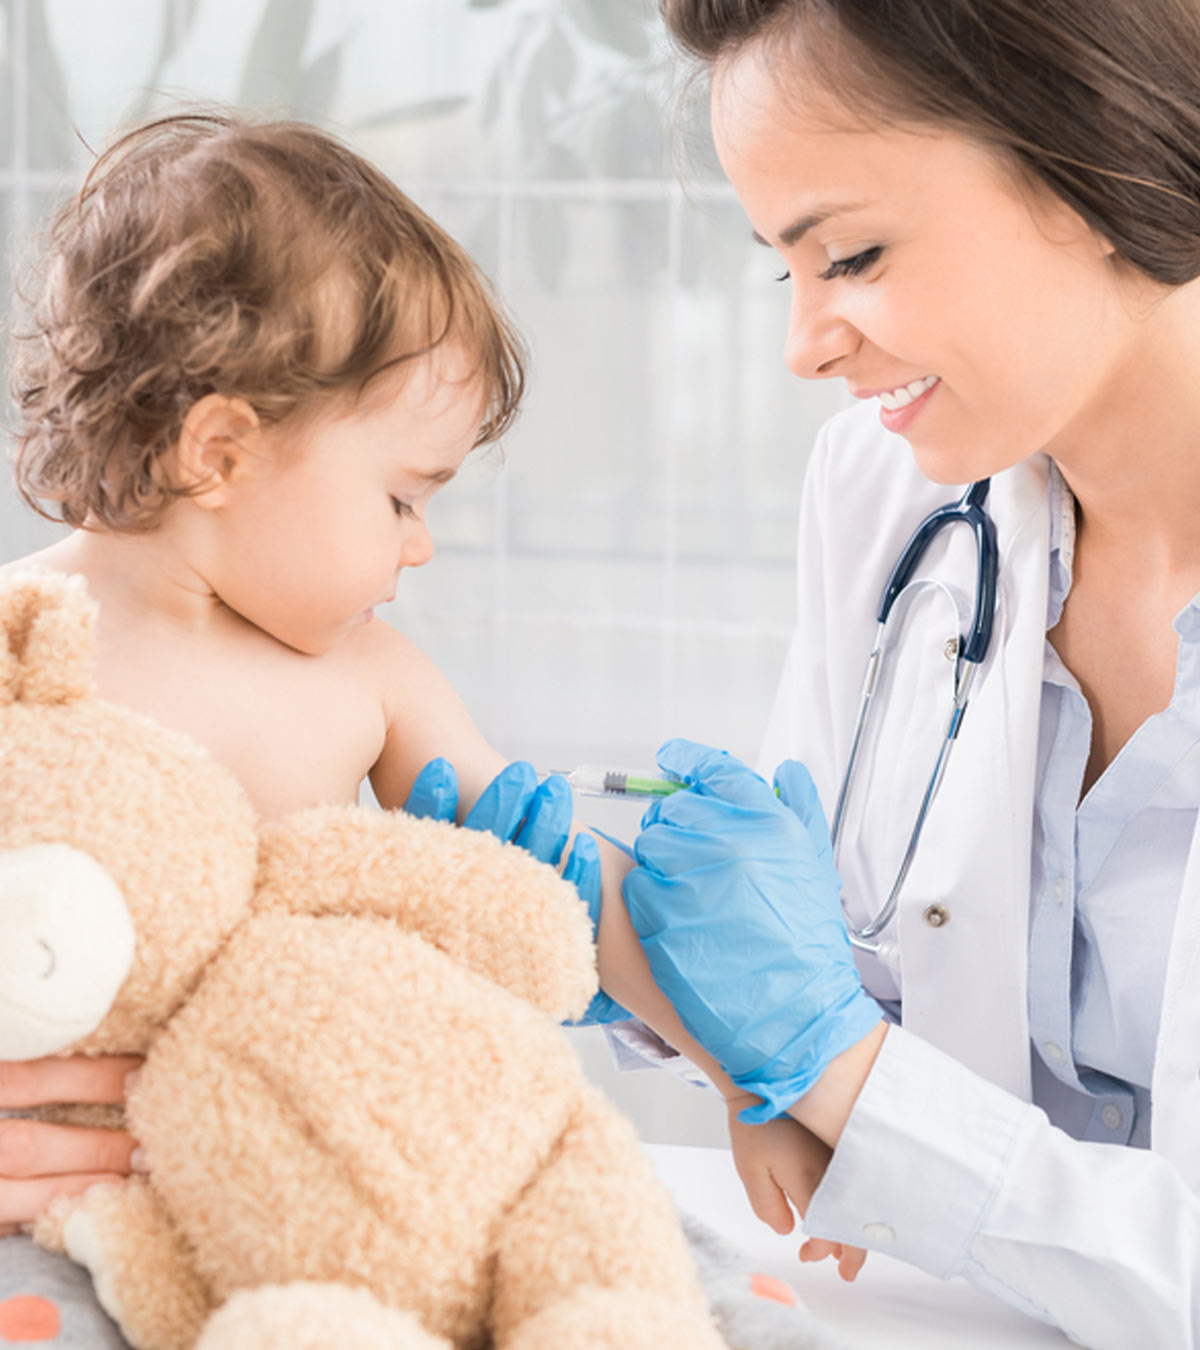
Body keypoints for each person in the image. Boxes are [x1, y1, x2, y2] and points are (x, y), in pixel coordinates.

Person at [0, 108, 740, 1344]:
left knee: (663, 1277)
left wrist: (761, 1074)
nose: (421, 543)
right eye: (401, 496)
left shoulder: (372, 680)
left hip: (357, 1191)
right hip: (82, 1210)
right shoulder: (26, 655)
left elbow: (560, 891)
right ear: (219, 451)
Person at [616, 1, 1200, 1344]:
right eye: (788, 271)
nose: (805, 342)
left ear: (1097, 155)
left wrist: (837, 1068)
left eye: (855, 255)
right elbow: (845, 950)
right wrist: (655, 950)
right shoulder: (888, 497)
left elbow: (851, 1058)